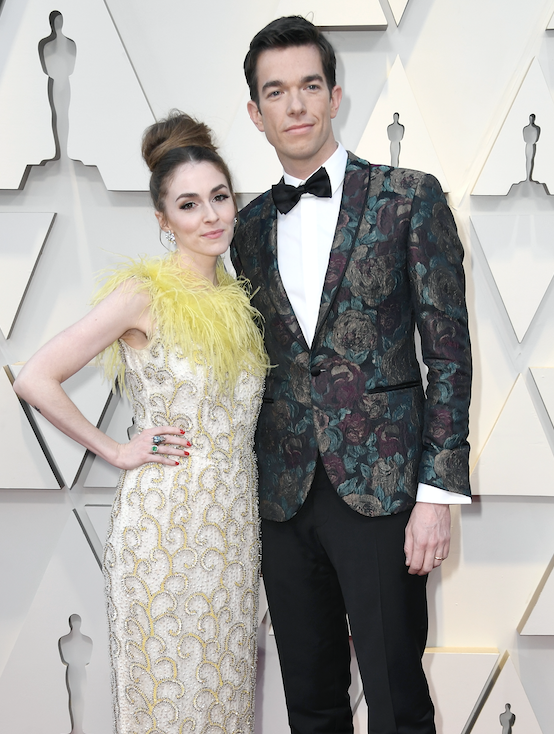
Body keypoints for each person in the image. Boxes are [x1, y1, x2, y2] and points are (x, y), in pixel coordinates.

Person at [231, 16, 472, 734]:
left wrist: (437, 494)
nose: (295, 105)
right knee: (310, 702)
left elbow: (449, 357)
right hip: (282, 498)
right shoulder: (243, 229)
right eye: (277, 92)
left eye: (309, 86)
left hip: (385, 492)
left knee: (398, 702)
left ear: (336, 95)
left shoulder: (409, 198)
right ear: (256, 112)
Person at [14, 112, 269, 734]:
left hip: (233, 530)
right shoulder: (142, 294)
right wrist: (116, 449)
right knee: (165, 699)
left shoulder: (241, 303)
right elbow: (34, 376)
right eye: (189, 204)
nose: (210, 216)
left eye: (219, 197)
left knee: (223, 699)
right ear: (163, 219)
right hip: (163, 529)